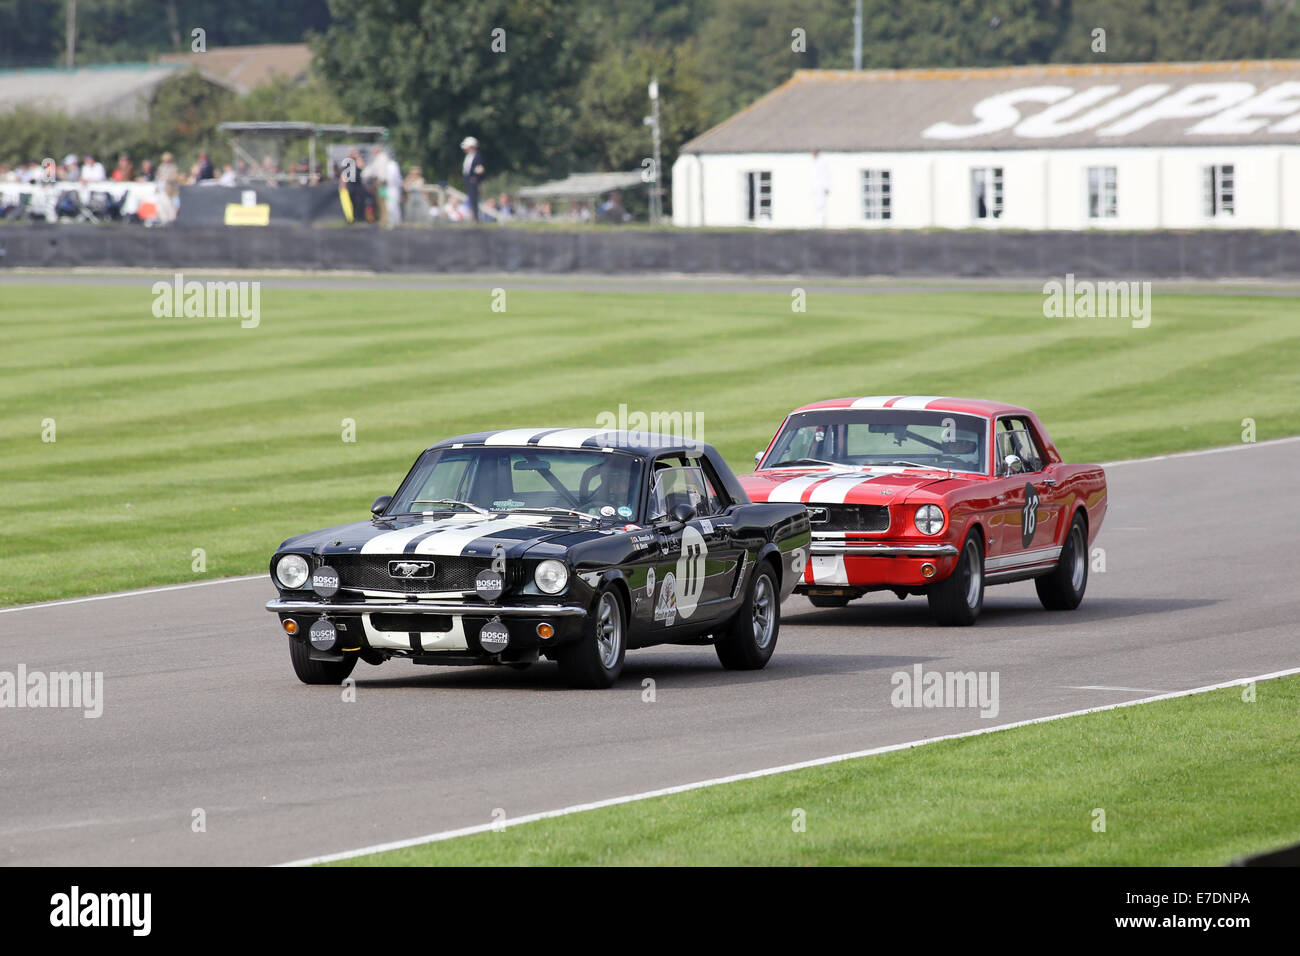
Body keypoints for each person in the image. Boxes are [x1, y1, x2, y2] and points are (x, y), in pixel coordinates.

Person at [460, 136, 485, 222]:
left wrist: (475, 178)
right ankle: (473, 216)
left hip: (473, 181)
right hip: (468, 180)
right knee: (471, 199)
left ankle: (476, 217)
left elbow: (479, 169)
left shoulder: (477, 156)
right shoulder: (469, 156)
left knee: (474, 199)